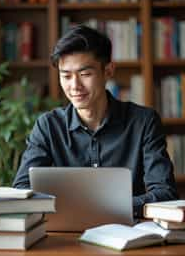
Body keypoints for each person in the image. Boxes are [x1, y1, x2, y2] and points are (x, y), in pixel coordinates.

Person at [13, 25, 178, 218]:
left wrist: (97, 208)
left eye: (85, 74)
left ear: (108, 70)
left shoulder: (143, 122)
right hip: (65, 236)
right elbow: (22, 190)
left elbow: (165, 194)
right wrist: (102, 207)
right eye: (66, 76)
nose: (74, 86)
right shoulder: (48, 126)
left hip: (130, 235)